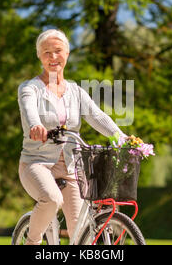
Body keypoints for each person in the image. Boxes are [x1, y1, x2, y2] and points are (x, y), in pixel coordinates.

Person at [17, 29, 127, 245]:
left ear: (67, 53)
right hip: (36, 163)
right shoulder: (29, 89)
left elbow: (96, 116)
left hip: (69, 166)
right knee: (52, 199)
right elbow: (29, 110)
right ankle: (32, 242)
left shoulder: (75, 91)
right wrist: (36, 125)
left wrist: (122, 138)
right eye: (46, 52)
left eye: (58, 51)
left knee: (81, 230)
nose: (53, 57)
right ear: (39, 56)